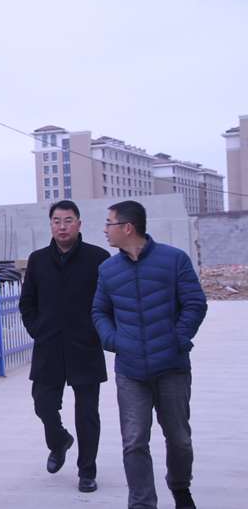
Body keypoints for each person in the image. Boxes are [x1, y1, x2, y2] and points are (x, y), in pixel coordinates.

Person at [92, 200, 207, 509]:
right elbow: (99, 311)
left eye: (109, 223)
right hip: (130, 371)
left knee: (179, 439)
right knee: (134, 441)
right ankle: (142, 503)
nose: (105, 230)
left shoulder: (174, 260)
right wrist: (113, 340)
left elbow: (195, 303)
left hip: (171, 367)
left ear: (128, 227)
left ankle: (180, 488)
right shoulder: (108, 269)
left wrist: (178, 338)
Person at [18, 200, 110, 493]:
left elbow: (108, 302)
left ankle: (87, 471)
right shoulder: (38, 260)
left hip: (85, 347)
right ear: (51, 225)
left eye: (68, 220)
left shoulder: (98, 258)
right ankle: (59, 441)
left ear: (79, 224)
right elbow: (27, 303)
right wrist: (38, 330)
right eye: (56, 221)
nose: (62, 226)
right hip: (49, 346)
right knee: (43, 404)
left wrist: (98, 332)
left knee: (87, 413)